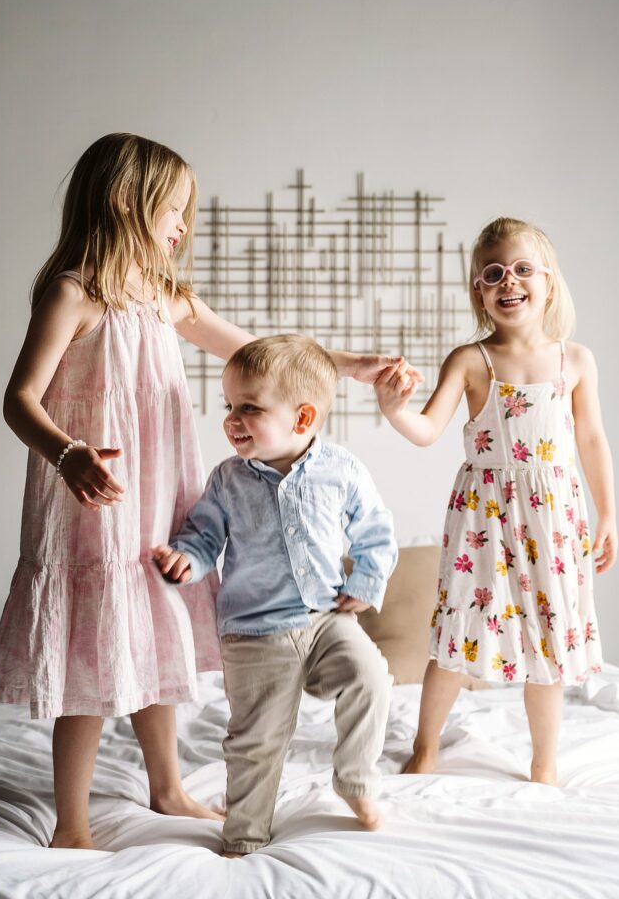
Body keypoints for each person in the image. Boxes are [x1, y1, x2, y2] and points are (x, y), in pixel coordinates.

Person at [0, 133, 410, 850]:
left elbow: (256, 353)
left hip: (162, 488)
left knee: (154, 624)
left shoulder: (166, 298)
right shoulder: (73, 293)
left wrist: (351, 364)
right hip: (95, 495)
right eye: (175, 209)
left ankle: (167, 786)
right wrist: (68, 454)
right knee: (97, 641)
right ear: (128, 200)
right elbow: (18, 399)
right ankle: (71, 822)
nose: (184, 225)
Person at [374, 216, 617, 786]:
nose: (509, 282)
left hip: (554, 512)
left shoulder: (574, 360)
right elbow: (429, 428)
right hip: (484, 513)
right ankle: (426, 745)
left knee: (550, 634)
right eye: (493, 273)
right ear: (480, 292)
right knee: (458, 627)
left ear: (548, 282)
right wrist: (393, 410)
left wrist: (609, 512)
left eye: (522, 269)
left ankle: (543, 762)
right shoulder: (470, 360)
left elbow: (591, 439)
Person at [153, 335, 396, 855]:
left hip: (326, 619)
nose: (232, 419)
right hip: (254, 632)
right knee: (256, 743)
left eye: (249, 408)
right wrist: (186, 560)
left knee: (371, 676)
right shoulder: (227, 480)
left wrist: (366, 581)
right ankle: (244, 834)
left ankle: (354, 779)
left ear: (302, 418)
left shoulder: (342, 471)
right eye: (229, 406)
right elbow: (203, 536)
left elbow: (377, 532)